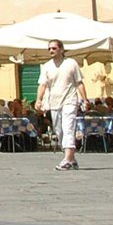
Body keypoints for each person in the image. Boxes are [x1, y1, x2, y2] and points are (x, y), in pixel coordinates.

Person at [34, 39, 88, 173]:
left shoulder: (71, 63)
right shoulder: (46, 66)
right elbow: (42, 85)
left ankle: (67, 160)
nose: (51, 51)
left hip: (70, 101)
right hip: (54, 103)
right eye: (49, 49)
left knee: (68, 128)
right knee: (59, 131)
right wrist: (38, 100)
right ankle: (72, 159)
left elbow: (79, 83)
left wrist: (85, 99)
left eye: (54, 48)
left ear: (61, 49)